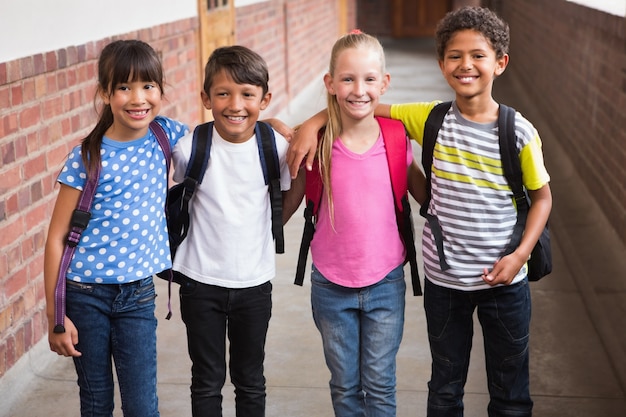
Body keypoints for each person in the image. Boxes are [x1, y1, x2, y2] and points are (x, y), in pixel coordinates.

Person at [288, 7, 552, 417]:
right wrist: (312, 123)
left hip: (505, 280)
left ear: (500, 63)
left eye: (478, 55)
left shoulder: (517, 131)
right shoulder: (429, 118)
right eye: (454, 56)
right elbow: (363, 105)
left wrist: (519, 255)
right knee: (445, 386)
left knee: (510, 388)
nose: (466, 65)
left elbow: (542, 198)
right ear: (441, 64)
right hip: (445, 283)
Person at [44, 39, 189, 417]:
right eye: (124, 87)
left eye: (147, 86)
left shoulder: (166, 135)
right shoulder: (87, 156)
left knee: (143, 406)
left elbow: (220, 136)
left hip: (138, 295)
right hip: (84, 294)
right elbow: (57, 238)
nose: (137, 98)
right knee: (96, 403)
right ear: (105, 93)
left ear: (160, 90)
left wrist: (270, 125)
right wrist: (56, 316)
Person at [283, 30, 422, 417]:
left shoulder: (397, 138)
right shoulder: (318, 141)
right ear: (330, 83)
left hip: (385, 282)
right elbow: (287, 205)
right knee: (344, 386)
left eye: (368, 79)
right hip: (331, 285)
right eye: (347, 79)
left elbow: (428, 198)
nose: (358, 89)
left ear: (384, 83)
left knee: (379, 385)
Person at [170, 45, 292, 417]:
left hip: (254, 284)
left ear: (265, 99)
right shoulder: (192, 147)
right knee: (206, 379)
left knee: (250, 379)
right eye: (223, 93)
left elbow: (283, 204)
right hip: (199, 282)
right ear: (206, 98)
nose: (235, 104)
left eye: (247, 95)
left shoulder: (277, 147)